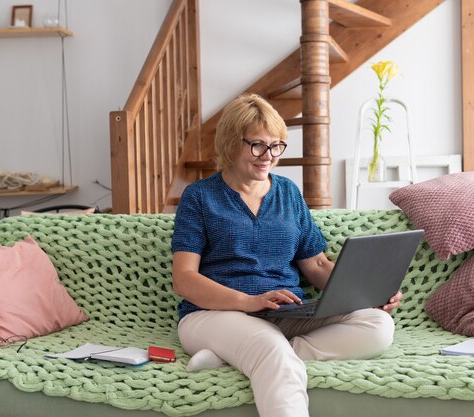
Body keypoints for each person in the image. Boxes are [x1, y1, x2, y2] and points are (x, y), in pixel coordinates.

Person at [171, 93, 401, 417]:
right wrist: (246, 302)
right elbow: (184, 279)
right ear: (230, 143)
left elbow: (317, 264)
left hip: (284, 316)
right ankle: (260, 354)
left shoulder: (288, 193)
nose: (269, 156)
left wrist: (367, 291)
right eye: (257, 145)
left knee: (378, 325)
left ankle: (236, 357)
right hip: (213, 314)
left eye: (277, 145)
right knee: (268, 347)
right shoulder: (199, 197)